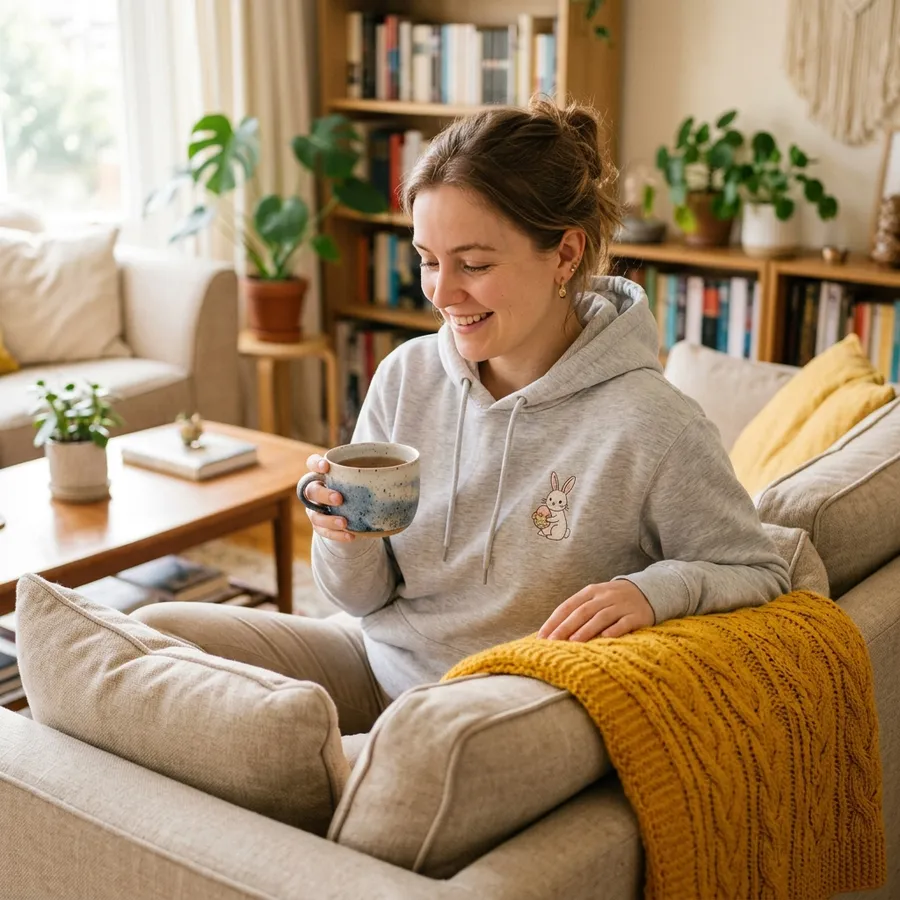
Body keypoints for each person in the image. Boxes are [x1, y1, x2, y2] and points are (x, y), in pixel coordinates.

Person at [134, 99, 790, 736]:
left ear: (565, 256)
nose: (442, 294)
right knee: (153, 641)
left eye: (473, 264)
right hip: (378, 664)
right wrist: (341, 535)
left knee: (297, 751)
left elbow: (760, 569)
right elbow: (360, 603)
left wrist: (652, 592)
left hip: (494, 715)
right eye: (427, 260)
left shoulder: (652, 425)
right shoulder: (407, 376)